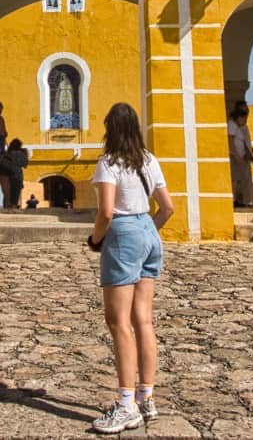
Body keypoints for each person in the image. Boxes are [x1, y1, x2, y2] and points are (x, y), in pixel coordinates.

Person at [87, 103, 176, 433]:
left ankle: (126, 405)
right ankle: (147, 398)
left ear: (111, 128)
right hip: (149, 233)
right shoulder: (149, 159)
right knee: (144, 320)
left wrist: (96, 239)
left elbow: (107, 212)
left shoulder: (108, 163)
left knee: (118, 322)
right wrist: (147, 231)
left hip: (123, 234)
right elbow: (167, 208)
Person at [227, 107, 253, 207]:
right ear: (239, 117)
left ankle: (241, 200)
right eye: (244, 119)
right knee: (235, 179)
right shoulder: (232, 125)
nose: (245, 121)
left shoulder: (240, 127)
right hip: (235, 157)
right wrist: (236, 155)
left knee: (241, 179)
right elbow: (230, 141)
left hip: (240, 157)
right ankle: (234, 199)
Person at [3, 137, 29, 209]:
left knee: (7, 191)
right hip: (17, 174)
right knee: (16, 191)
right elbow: (25, 164)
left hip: (7, 174)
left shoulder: (7, 154)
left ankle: (7, 205)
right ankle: (14, 206)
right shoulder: (21, 154)